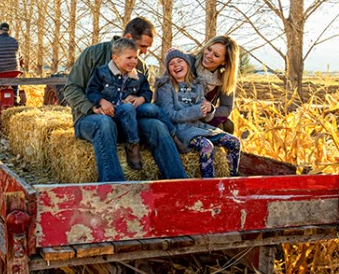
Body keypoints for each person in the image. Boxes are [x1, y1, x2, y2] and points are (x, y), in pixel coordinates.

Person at [63, 17, 188, 183]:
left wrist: (140, 99)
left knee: (156, 126)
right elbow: (71, 88)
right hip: (91, 120)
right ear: (128, 38)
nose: (144, 52)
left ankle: (180, 185)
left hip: (128, 122)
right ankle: (115, 188)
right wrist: (93, 107)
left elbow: (145, 92)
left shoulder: (140, 66)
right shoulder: (93, 54)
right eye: (142, 46)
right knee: (104, 123)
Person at [86, 38, 178, 170]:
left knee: (152, 107)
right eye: (129, 57)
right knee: (127, 108)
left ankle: (173, 135)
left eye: (136, 57)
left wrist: (141, 99)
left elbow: (147, 92)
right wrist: (102, 101)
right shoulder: (102, 73)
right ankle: (132, 146)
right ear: (116, 58)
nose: (134, 61)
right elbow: (91, 91)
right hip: (114, 113)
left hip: (133, 113)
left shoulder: (139, 77)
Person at [155, 48, 240, 177]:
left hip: (199, 127)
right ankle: (208, 184)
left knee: (234, 142)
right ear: (168, 69)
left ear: (188, 65)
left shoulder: (197, 85)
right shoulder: (166, 86)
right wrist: (196, 111)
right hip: (181, 130)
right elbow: (170, 115)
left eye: (180, 61)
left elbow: (205, 118)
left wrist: (209, 109)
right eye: (171, 63)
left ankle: (232, 179)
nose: (176, 65)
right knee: (206, 146)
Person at [190, 36, 240, 134]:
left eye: (216, 55)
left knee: (228, 125)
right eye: (208, 49)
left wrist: (210, 109)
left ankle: (226, 148)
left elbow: (227, 108)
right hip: (184, 112)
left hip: (206, 114)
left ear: (224, 62)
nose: (208, 55)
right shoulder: (189, 63)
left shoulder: (223, 78)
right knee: (218, 127)